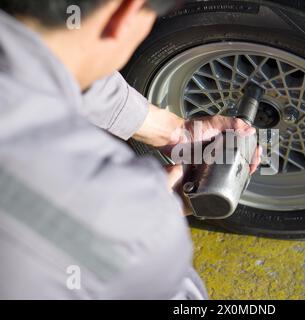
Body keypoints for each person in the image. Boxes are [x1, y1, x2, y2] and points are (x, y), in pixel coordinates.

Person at [0, 0, 259, 299]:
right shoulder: (130, 226)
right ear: (125, 12)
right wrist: (155, 217)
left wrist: (172, 130)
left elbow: (51, 56)